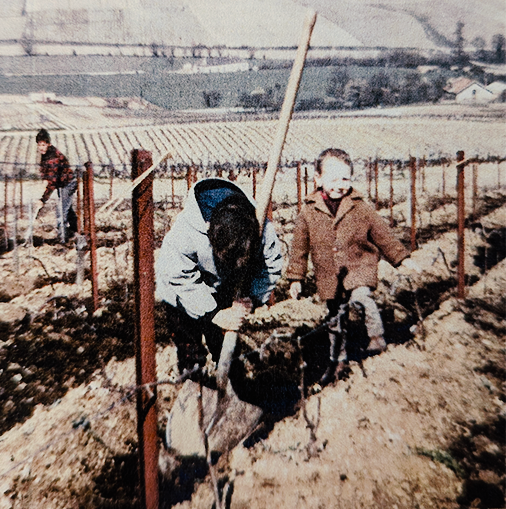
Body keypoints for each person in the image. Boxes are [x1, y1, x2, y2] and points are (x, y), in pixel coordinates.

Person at [287, 148, 416, 375]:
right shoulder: (307, 212)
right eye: (333, 178)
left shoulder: (360, 207)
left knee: (361, 298)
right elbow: (299, 247)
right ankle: (339, 358)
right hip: (329, 274)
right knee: (335, 318)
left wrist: (401, 259)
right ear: (318, 179)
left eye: (345, 178)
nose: (340, 184)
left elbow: (382, 233)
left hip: (359, 265)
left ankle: (376, 337)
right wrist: (295, 278)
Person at [156, 177, 282, 378]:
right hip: (180, 288)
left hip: (223, 284)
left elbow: (271, 266)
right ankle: (194, 384)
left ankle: (231, 382)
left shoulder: (260, 226)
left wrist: (253, 297)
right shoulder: (185, 232)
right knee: (190, 349)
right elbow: (180, 277)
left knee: (225, 345)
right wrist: (213, 313)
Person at [35, 129, 78, 243]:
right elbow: (46, 172)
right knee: (67, 209)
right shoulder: (47, 154)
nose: (41, 148)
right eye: (39, 145)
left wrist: (43, 200)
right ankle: (76, 232)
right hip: (62, 182)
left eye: (43, 144)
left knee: (61, 211)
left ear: (48, 144)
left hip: (67, 183)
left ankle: (62, 240)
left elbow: (52, 182)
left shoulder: (52, 158)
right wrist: (44, 178)